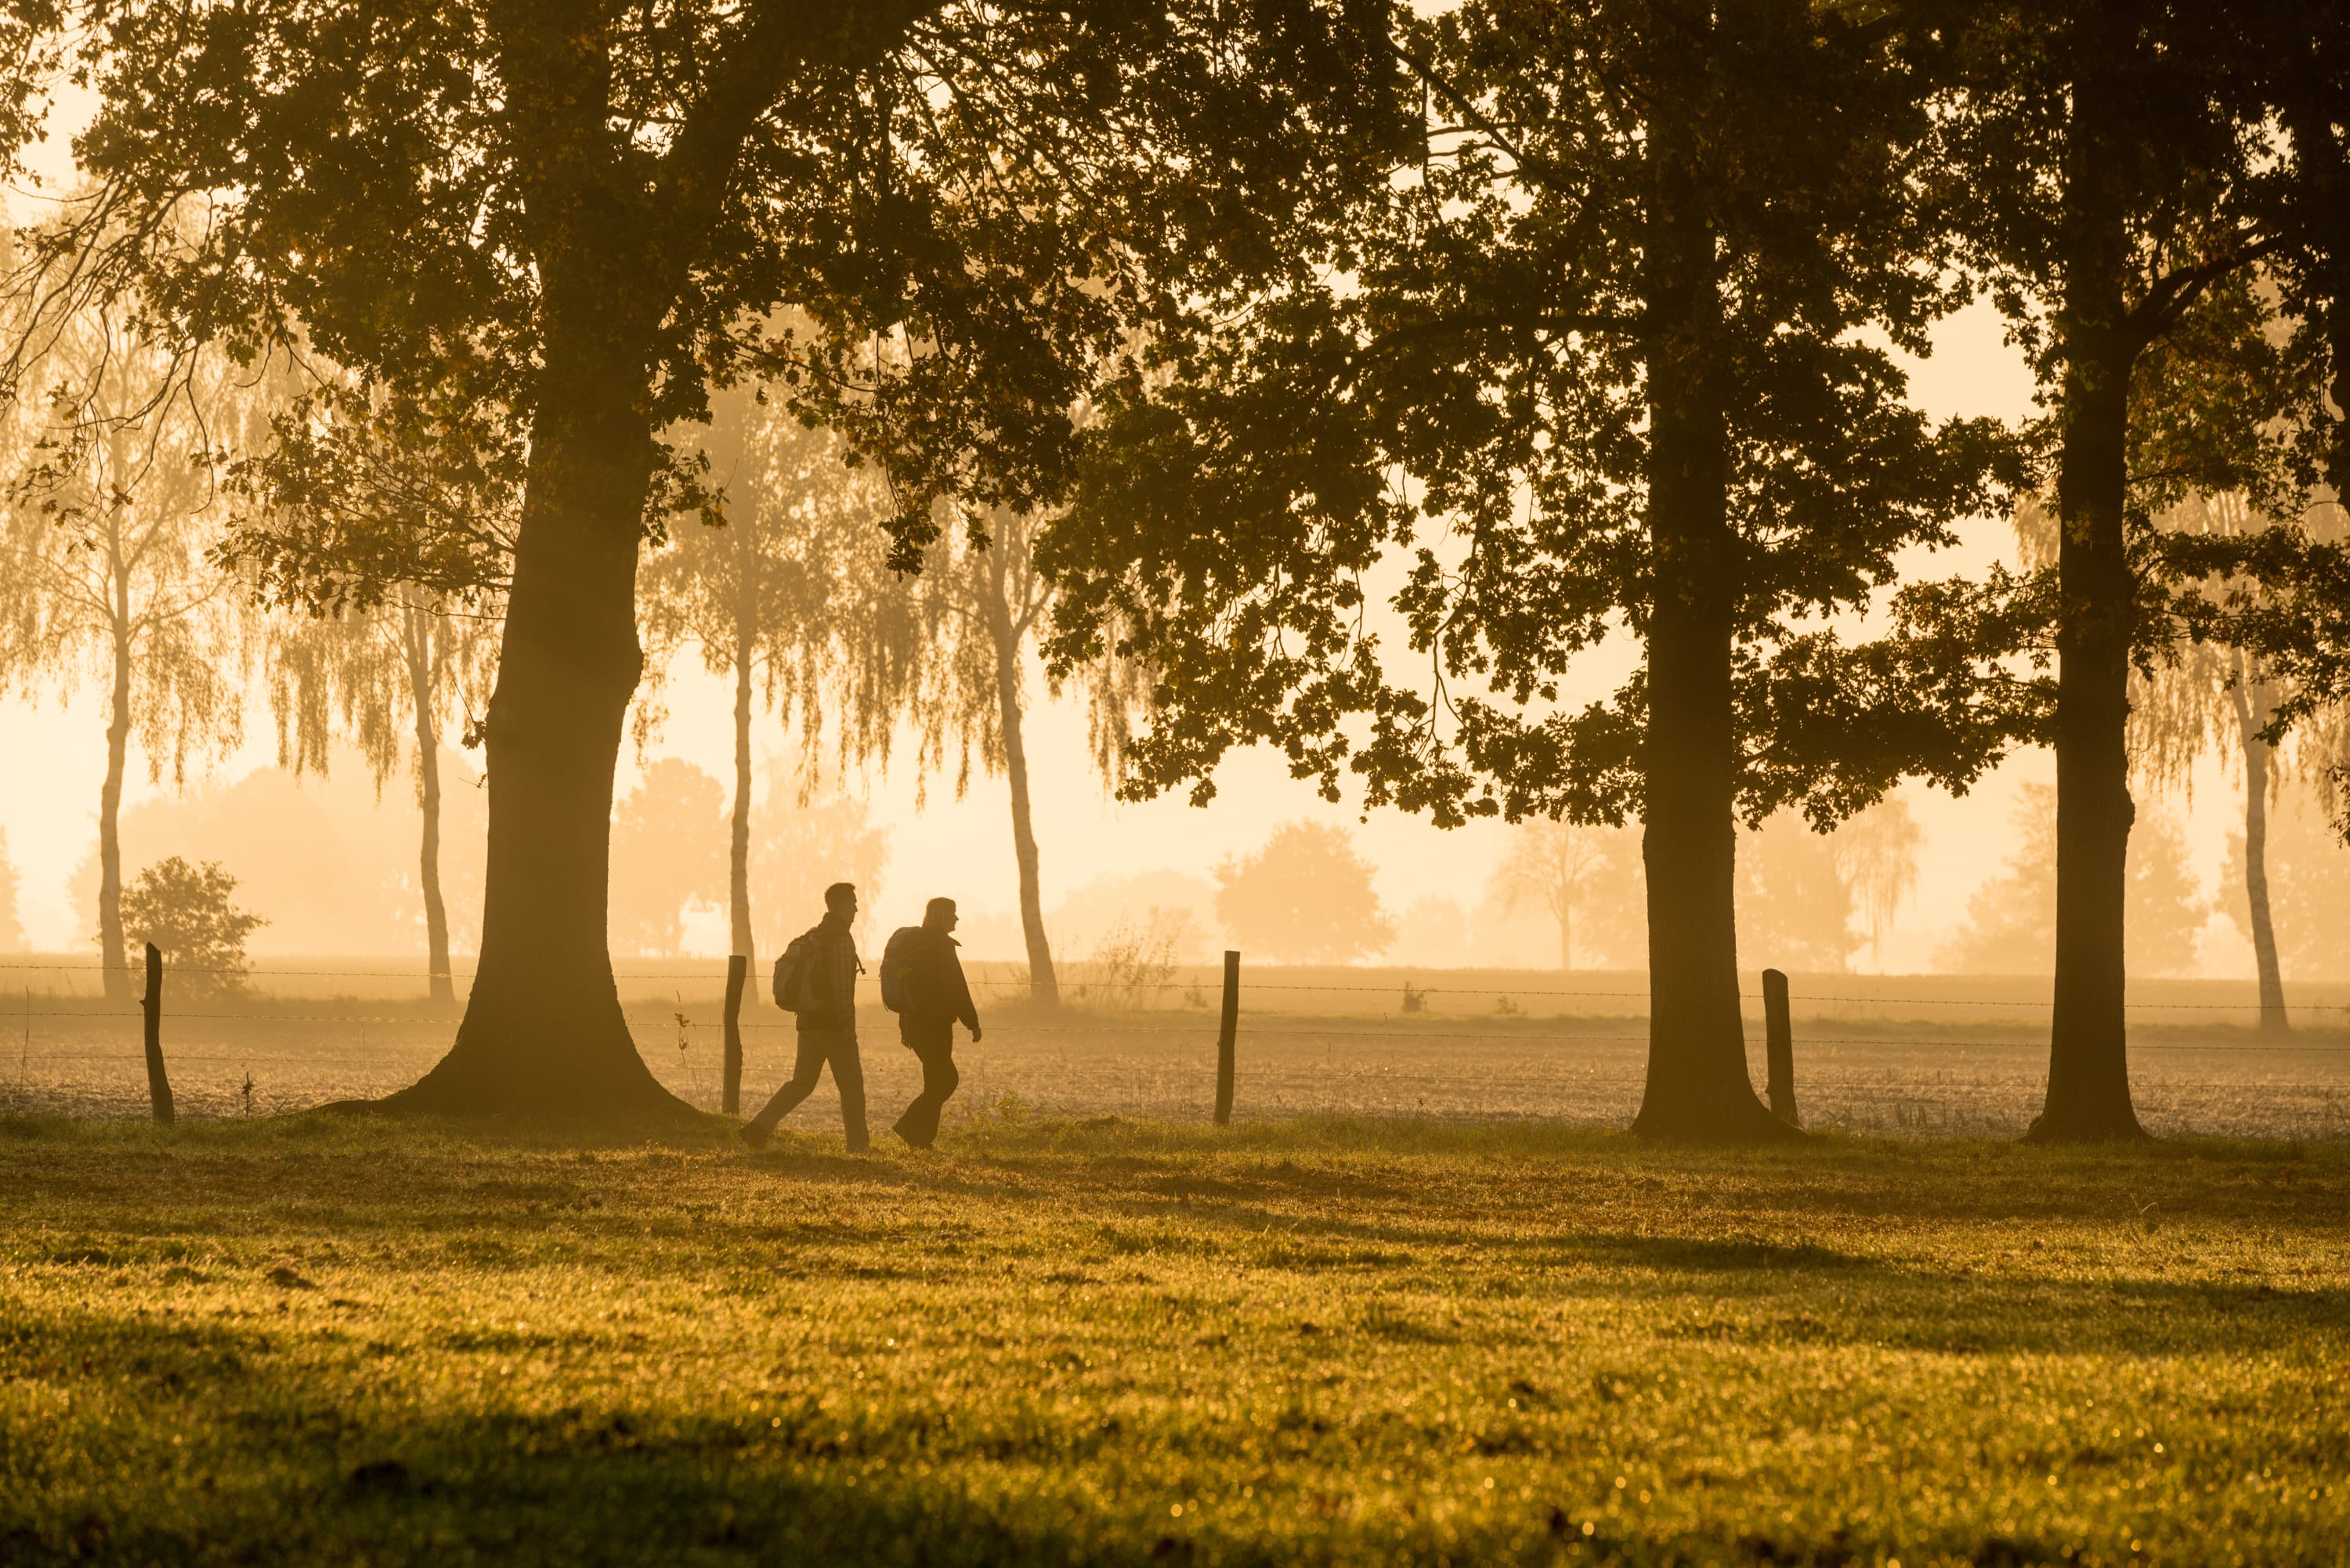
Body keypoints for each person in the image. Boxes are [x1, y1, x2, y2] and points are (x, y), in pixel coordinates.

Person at [741, 882, 867, 1152]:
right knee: (852, 1087)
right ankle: (859, 1148)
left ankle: (759, 1127)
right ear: (842, 906)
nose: (857, 908)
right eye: (853, 903)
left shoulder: (815, 935)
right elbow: (843, 991)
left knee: (802, 1083)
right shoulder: (842, 940)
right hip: (833, 1026)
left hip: (808, 1023)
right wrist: (849, 1029)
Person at [890, 896, 981, 1150]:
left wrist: (904, 1023)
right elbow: (958, 988)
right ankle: (909, 1126)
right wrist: (972, 1022)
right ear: (941, 915)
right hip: (935, 1025)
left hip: (915, 1023)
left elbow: (907, 986)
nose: (956, 918)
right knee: (946, 1079)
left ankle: (920, 1139)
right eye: (953, 913)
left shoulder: (915, 944)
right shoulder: (941, 946)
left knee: (936, 1080)